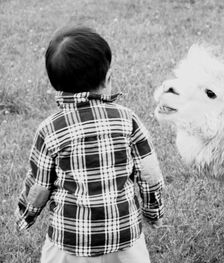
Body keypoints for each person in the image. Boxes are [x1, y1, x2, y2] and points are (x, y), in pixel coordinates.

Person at [15, 26, 164, 263]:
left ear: (56, 85)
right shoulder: (127, 119)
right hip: (125, 239)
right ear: (108, 78)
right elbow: (150, 174)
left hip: (69, 241)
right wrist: (153, 211)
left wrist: (26, 216)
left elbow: (38, 186)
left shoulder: (49, 129)